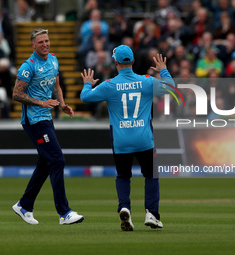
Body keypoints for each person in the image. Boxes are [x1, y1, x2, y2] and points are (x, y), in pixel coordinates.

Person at [80, 45, 174, 231]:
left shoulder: (109, 85)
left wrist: (87, 83)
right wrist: (163, 69)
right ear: (132, 61)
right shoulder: (146, 81)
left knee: (123, 176)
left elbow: (85, 97)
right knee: (150, 175)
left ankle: (124, 207)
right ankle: (152, 214)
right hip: (144, 139)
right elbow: (171, 88)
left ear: (115, 62)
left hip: (121, 141)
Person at [12, 28, 84, 225]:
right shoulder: (28, 66)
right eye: (41, 42)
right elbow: (17, 94)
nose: (45, 44)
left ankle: (24, 205)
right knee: (57, 159)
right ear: (33, 45)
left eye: (47, 40)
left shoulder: (53, 59)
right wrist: (41, 103)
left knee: (46, 162)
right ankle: (64, 213)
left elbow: (56, 86)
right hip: (34, 121)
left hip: (46, 117)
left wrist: (61, 104)